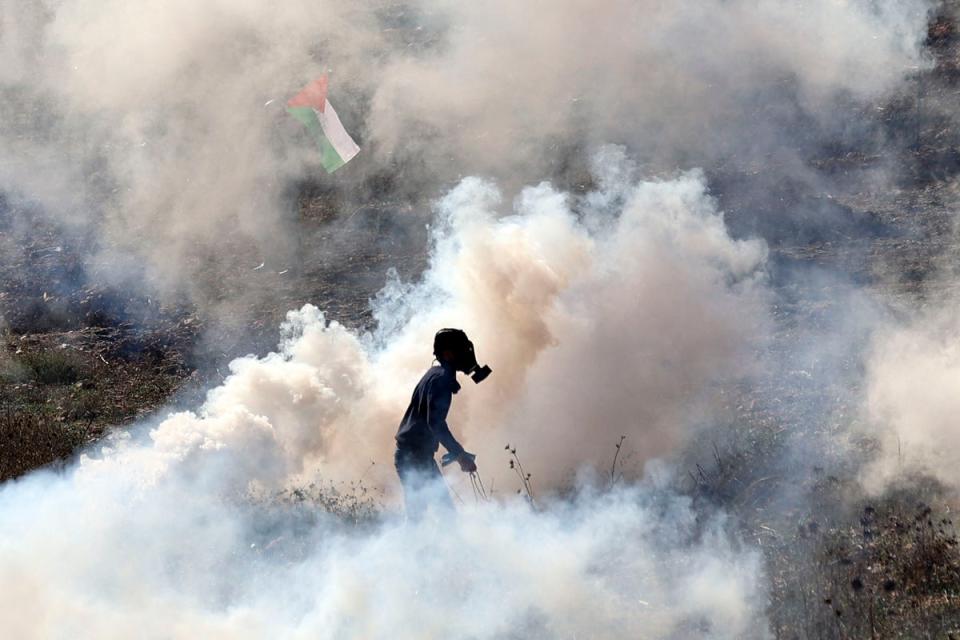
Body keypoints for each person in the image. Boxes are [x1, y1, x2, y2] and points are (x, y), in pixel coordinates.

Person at [394, 328, 491, 519]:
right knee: (436, 518)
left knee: (434, 516)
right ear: (447, 354)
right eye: (462, 350)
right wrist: (460, 454)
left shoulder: (434, 374)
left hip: (416, 456)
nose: (467, 355)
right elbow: (435, 423)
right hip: (414, 457)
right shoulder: (442, 380)